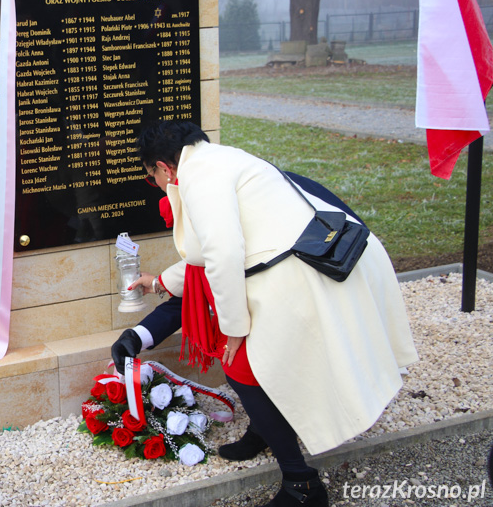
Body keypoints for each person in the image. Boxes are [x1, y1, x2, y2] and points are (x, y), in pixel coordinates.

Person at [113, 121, 417, 507]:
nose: (153, 182)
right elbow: (204, 255)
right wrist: (159, 281)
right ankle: (263, 431)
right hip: (306, 263)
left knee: (242, 367)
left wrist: (235, 328)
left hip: (299, 274)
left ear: (164, 167)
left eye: (150, 174)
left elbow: (223, 254)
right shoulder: (217, 159)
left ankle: (301, 485)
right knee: (247, 370)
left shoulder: (197, 175)